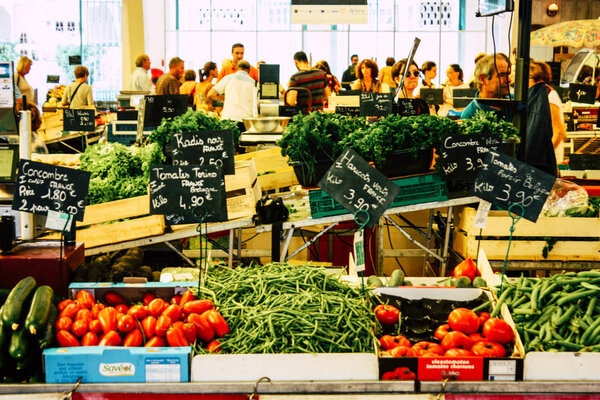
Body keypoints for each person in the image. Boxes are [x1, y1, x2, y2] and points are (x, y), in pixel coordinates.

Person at [529, 60, 567, 163]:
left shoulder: (549, 97)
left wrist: (541, 156)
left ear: (539, 79)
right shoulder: (541, 96)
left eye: (529, 78)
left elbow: (559, 132)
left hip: (548, 162)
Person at [207, 60, 257, 132]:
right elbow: (255, 106)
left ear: (237, 68)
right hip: (245, 121)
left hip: (228, 119)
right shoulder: (253, 83)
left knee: (227, 142)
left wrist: (223, 98)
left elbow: (210, 94)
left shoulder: (228, 78)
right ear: (249, 71)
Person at [461, 54, 512, 121]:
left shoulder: (516, 103)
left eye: (508, 74)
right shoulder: (470, 116)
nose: (509, 80)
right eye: (502, 75)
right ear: (483, 79)